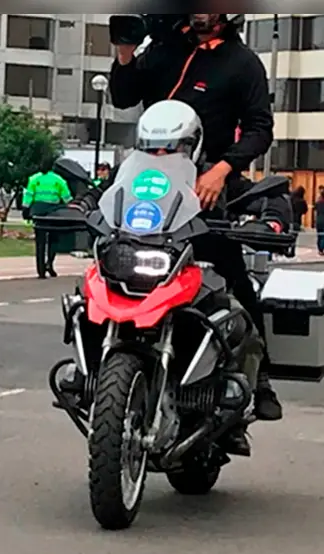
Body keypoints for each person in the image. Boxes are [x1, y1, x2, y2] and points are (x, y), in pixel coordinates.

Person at [99, 12, 287, 446]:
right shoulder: (163, 51)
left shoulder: (242, 62)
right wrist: (126, 50)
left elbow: (261, 129)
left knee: (233, 280)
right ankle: (101, 362)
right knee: (109, 260)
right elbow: (124, 96)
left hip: (210, 183)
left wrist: (223, 169)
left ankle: (258, 382)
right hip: (152, 184)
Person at [22, 163, 71, 279]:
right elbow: (67, 198)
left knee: (40, 242)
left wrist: (25, 210)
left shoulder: (34, 179)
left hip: (38, 212)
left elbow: (28, 196)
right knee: (53, 240)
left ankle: (41, 271)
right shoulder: (58, 180)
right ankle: (49, 263)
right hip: (53, 212)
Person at [315, 188, 324, 255]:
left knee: (319, 235)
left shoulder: (318, 203)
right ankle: (321, 249)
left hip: (318, 220)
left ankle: (319, 249)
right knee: (323, 236)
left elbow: (315, 212)